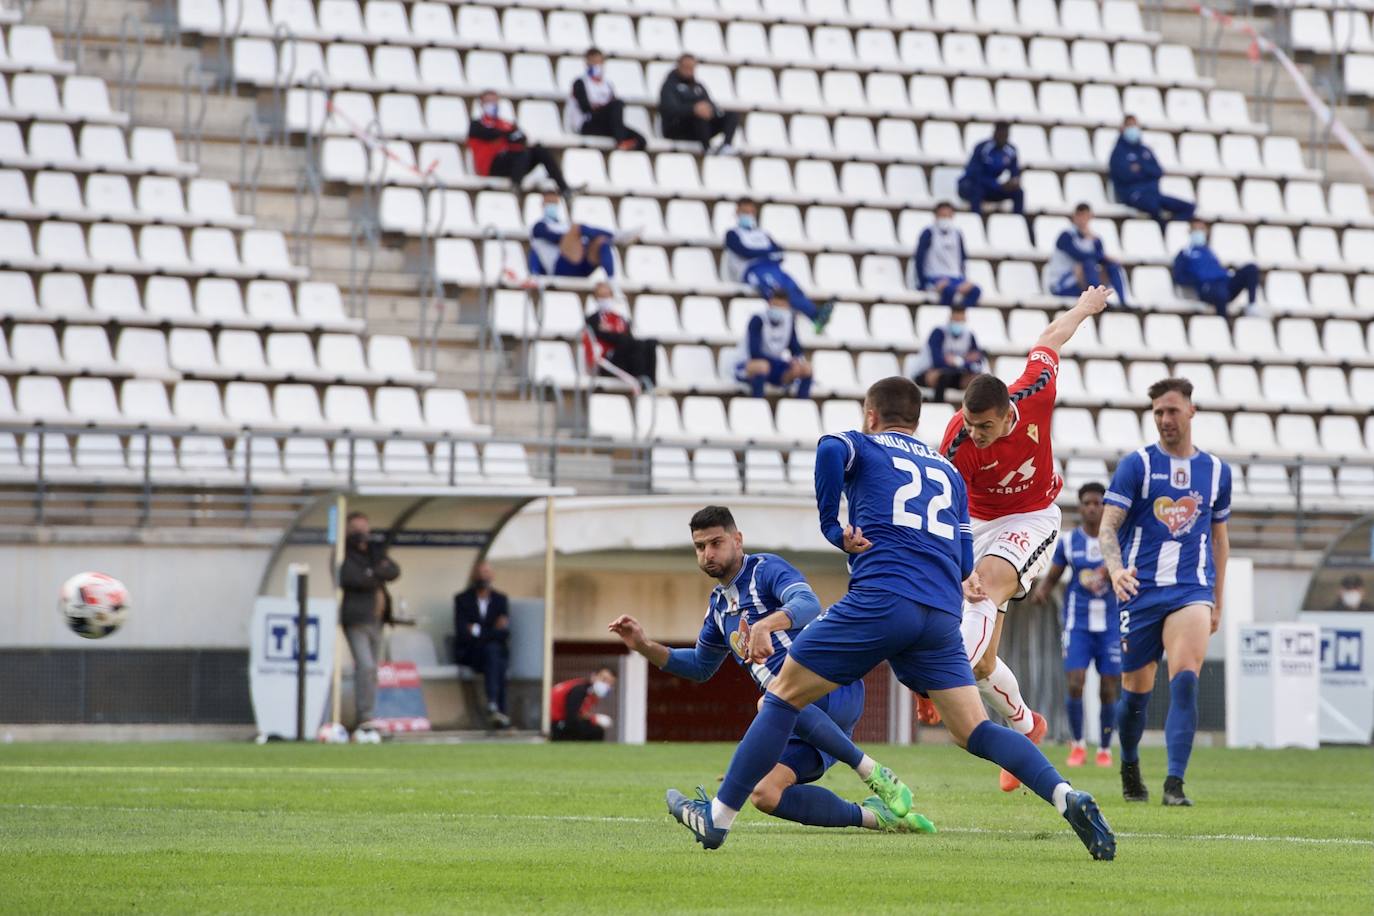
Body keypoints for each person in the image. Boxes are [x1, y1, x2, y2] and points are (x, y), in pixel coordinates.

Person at [665, 376, 1115, 860]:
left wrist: (831, 526)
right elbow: (965, 549)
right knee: (975, 730)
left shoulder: (865, 444)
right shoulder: (947, 468)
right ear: (918, 420)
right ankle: (1067, 796)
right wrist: (962, 578)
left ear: (870, 413)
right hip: (940, 614)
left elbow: (828, 448)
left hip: (880, 600)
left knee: (780, 697)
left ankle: (717, 819)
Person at [610, 505, 933, 834]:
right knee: (765, 794)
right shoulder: (720, 608)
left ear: (738, 540)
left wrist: (766, 625)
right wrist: (643, 645)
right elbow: (699, 666)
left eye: (716, 543)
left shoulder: (764, 569)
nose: (708, 553)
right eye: (700, 546)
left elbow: (807, 603)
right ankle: (880, 818)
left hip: (832, 686)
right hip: (800, 718)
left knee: (770, 700)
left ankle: (872, 772)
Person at [930, 286, 1112, 793]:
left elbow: (1052, 337)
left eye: (984, 426)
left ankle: (943, 672)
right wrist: (957, 562)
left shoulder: (1035, 391)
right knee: (987, 660)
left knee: (984, 592)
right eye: (970, 424)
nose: (976, 434)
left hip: (1031, 516)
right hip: (977, 521)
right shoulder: (956, 440)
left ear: (1008, 413)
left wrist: (1085, 307)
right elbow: (945, 507)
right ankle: (1026, 726)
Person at [1099, 377, 1230, 807]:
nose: (1164, 419)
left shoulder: (1215, 471)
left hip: (1191, 591)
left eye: (1172, 410)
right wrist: (1117, 572)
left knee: (1186, 680)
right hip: (1140, 592)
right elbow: (1108, 526)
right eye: (1157, 412)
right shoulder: (1136, 464)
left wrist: (1217, 598)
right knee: (1135, 695)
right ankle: (1130, 762)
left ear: (1191, 411)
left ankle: (1175, 784)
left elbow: (1219, 538)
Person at [1031, 482, 1121, 769]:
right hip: (1077, 623)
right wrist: (1042, 590)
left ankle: (1105, 748)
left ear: (1105, 507)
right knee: (1075, 683)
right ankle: (1079, 744)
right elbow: (1055, 572)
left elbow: (1130, 573)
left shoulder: (1116, 542)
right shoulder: (1070, 542)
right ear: (1081, 507)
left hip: (1109, 624)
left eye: (1097, 503)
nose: (1092, 508)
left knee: (1108, 688)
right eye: (1087, 503)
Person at [724, 200, 834, 332]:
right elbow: (744, 251)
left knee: (792, 287)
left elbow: (779, 252)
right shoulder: (732, 234)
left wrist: (763, 253)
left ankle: (815, 316)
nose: (748, 215)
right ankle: (781, 322)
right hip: (752, 270)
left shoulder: (762, 234)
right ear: (737, 212)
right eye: (745, 212)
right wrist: (767, 252)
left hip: (772, 267)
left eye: (751, 212)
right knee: (776, 290)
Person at [338, 511, 400, 731]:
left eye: (364, 529)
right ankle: (364, 716)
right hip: (356, 619)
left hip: (377, 619)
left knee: (372, 669)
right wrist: (375, 573)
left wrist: (372, 571)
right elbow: (351, 578)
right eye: (356, 530)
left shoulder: (374, 551)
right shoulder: (343, 552)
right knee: (364, 666)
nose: (361, 534)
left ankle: (369, 714)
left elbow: (393, 570)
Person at [468, 91, 571, 197]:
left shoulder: (505, 123)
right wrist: (508, 135)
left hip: (513, 163)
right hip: (490, 167)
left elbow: (522, 137)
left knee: (539, 149)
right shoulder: (476, 124)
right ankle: (516, 186)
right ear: (481, 104)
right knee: (521, 152)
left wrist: (507, 135)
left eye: (495, 101)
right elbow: (490, 134)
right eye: (489, 101)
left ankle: (564, 189)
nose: (493, 105)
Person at [1109, 115, 1195, 228]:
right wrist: (1146, 173)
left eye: (1135, 125)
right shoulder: (1118, 153)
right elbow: (1125, 176)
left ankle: (1169, 227)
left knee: (1189, 207)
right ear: (1122, 128)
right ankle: (1163, 229)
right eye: (1129, 125)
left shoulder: (1145, 150)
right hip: (1133, 194)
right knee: (1154, 206)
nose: (1133, 129)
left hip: (1154, 194)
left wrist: (1141, 168)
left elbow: (1158, 172)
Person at [453, 561, 511, 729]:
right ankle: (499, 709)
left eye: (486, 572)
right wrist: (491, 631)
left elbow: (504, 633)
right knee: (494, 655)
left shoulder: (500, 600)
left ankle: (494, 706)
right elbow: (462, 632)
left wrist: (477, 630)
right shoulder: (462, 599)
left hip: (493, 653)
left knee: (495, 656)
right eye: (479, 573)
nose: (483, 576)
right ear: (473, 576)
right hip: (471, 654)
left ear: (492, 575)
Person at [528, 191, 632, 280]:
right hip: (560, 268)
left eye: (554, 203)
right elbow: (555, 238)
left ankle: (611, 281)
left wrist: (578, 237)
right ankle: (615, 236)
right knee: (577, 228)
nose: (552, 206)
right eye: (549, 202)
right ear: (542, 204)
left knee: (601, 241)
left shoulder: (565, 224)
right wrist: (575, 236)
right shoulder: (539, 226)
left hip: (581, 266)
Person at [1044, 204, 1129, 307]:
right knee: (1088, 265)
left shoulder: (1094, 239)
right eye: (1080, 216)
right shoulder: (1066, 236)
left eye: (1086, 216)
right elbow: (1081, 256)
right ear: (1074, 217)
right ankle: (1098, 299)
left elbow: (1100, 258)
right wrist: (1101, 255)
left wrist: (1106, 257)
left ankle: (1122, 302)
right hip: (1062, 285)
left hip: (1081, 284)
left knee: (1112, 266)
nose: (1083, 220)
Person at [733, 290, 812, 400]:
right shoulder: (758, 320)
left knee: (806, 368)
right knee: (762, 366)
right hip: (748, 364)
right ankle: (757, 404)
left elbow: (795, 348)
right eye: (775, 305)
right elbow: (754, 353)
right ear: (769, 304)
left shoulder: (789, 321)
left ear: (787, 306)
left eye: (781, 306)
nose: (778, 309)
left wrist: (796, 362)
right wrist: (779, 364)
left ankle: (802, 407)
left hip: (774, 365)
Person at [1172, 219, 1260, 316]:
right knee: (1220, 294)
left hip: (1225, 283)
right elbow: (1178, 276)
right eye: (1195, 229)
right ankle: (1223, 323)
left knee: (1251, 269)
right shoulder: (1185, 253)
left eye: (1201, 229)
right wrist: (1197, 280)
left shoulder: (1209, 252)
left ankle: (1252, 305)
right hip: (1208, 287)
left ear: (1206, 232)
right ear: (1190, 232)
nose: (1198, 232)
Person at [567, 48, 645, 151]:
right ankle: (620, 142)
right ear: (587, 63)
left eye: (599, 62)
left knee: (641, 140)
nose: (597, 65)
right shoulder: (580, 82)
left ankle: (622, 147)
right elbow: (585, 108)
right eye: (593, 62)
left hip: (605, 125)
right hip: (587, 124)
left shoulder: (607, 84)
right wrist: (602, 108)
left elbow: (613, 110)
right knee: (618, 104)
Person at [658, 53, 738, 154]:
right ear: (679, 66)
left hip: (699, 129)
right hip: (677, 129)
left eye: (691, 68)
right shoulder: (669, 86)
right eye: (686, 67)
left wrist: (710, 110)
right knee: (699, 115)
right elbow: (669, 109)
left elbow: (710, 104)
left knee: (731, 115)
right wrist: (693, 109)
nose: (689, 70)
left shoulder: (698, 86)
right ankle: (707, 149)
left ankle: (726, 145)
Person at [584, 281, 657, 389]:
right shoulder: (592, 319)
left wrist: (611, 333)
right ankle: (640, 380)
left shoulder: (621, 319)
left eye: (607, 295)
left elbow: (627, 337)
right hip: (608, 361)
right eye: (601, 296)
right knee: (626, 341)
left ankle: (649, 382)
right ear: (595, 298)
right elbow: (603, 336)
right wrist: (617, 336)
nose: (605, 299)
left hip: (624, 357)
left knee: (650, 343)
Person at [909, 306, 986, 403]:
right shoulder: (939, 333)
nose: (958, 323)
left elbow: (977, 364)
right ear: (950, 318)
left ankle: (974, 411)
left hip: (955, 373)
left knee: (978, 380)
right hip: (927, 374)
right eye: (956, 319)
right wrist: (965, 361)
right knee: (942, 376)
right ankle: (938, 408)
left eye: (961, 320)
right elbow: (937, 362)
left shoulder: (969, 336)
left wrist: (957, 361)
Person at [913, 202, 981, 309]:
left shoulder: (957, 234)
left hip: (955, 277)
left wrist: (963, 279)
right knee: (948, 291)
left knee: (975, 291)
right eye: (942, 215)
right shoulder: (928, 233)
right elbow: (919, 258)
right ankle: (944, 316)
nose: (945, 219)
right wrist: (923, 283)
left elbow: (962, 258)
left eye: (948, 215)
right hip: (934, 276)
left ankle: (960, 314)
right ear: (936, 216)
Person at [957, 122, 1024, 216]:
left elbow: (1015, 172)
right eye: (1000, 134)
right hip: (973, 186)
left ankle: (1018, 221)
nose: (1003, 138)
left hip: (993, 189)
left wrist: (1013, 182)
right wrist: (997, 185)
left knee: (1018, 193)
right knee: (977, 190)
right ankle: (976, 220)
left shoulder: (1011, 150)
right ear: (994, 133)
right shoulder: (982, 148)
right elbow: (974, 175)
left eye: (1005, 135)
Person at [550, 667, 617, 741]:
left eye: (610, 683)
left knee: (592, 729)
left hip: (561, 723)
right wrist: (595, 719)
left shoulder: (589, 692)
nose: (606, 685)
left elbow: (581, 714)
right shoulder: (580, 689)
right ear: (594, 677)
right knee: (596, 731)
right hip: (554, 725)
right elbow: (572, 717)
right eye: (604, 679)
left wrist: (593, 719)